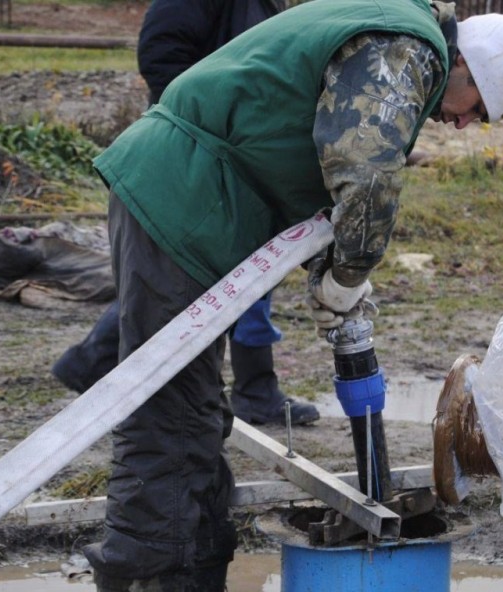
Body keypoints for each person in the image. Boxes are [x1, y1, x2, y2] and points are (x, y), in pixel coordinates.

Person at [82, 1, 503, 590]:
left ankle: (196, 571)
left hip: (194, 198)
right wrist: (350, 271)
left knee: (193, 412)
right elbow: (369, 173)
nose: (460, 125)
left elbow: (324, 157)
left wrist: (338, 265)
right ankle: (149, 577)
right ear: (469, 69)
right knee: (168, 418)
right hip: (181, 199)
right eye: (476, 111)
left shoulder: (394, 33)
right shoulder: (407, 49)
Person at [51, 0, 321, 426]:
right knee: (193, 276)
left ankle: (253, 387)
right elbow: (160, 51)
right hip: (199, 150)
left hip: (236, 155)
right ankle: (98, 362)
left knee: (241, 273)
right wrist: (203, 119)